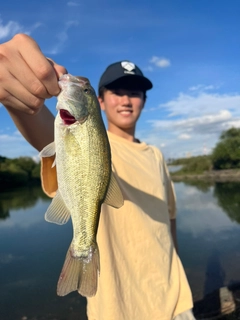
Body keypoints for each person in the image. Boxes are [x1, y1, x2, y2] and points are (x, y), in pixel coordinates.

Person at [0, 34, 195, 320]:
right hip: (118, 307)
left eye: (135, 92)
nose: (127, 99)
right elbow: (44, 130)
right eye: (117, 91)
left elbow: (170, 218)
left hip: (175, 297)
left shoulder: (156, 154)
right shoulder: (88, 135)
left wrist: (178, 263)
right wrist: (16, 96)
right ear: (100, 102)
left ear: (143, 101)